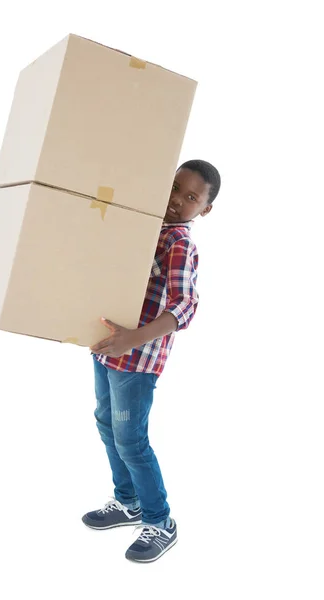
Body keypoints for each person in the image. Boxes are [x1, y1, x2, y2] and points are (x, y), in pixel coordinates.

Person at [83, 159, 221, 563]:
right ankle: (128, 502)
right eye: (176, 188)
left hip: (138, 360)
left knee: (131, 440)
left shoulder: (179, 243)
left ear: (205, 210)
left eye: (191, 197)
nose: (178, 200)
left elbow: (185, 306)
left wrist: (132, 339)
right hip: (109, 348)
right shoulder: (144, 228)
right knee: (106, 423)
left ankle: (161, 522)